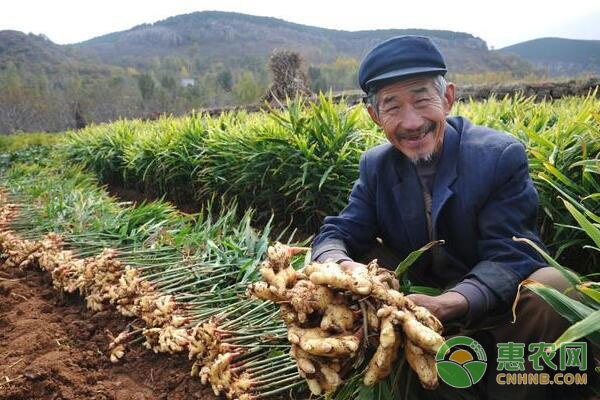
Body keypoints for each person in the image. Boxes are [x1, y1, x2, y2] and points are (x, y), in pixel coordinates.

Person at [311, 36, 592, 399]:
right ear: (374, 115)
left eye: (422, 98)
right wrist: (336, 264)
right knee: (354, 260)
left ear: (447, 98)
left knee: (553, 285)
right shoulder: (376, 166)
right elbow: (340, 230)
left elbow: (512, 252)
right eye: (392, 106)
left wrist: (450, 303)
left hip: (496, 308)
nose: (411, 122)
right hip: (422, 312)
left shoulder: (497, 156)